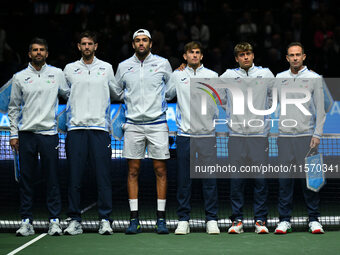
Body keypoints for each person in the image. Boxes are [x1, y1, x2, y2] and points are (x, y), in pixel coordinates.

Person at [8, 37, 69, 236]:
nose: (38, 53)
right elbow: (13, 108)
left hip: (49, 135)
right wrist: (13, 134)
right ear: (29, 54)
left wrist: (63, 120)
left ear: (47, 53)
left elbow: (70, 96)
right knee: (26, 180)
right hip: (26, 136)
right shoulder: (19, 77)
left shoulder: (57, 73)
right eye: (35, 50)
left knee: (52, 179)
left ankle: (54, 221)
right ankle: (26, 221)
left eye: (42, 49)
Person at [114, 29, 172, 234]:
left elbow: (172, 89)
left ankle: (161, 220)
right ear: (132, 44)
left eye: (144, 40)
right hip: (133, 125)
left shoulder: (163, 64)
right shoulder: (123, 66)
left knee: (161, 170)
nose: (141, 43)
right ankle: (134, 220)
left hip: (157, 124)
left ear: (150, 44)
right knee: (132, 171)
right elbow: (116, 91)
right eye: (137, 40)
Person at [63, 31, 119, 235]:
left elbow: (117, 92)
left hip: (100, 130)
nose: (87, 47)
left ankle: (105, 219)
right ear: (79, 46)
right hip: (75, 129)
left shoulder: (106, 68)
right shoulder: (69, 69)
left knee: (103, 178)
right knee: (74, 178)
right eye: (83, 44)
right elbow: (62, 92)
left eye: (90, 44)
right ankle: (74, 220)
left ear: (96, 46)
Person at [220, 42, 274, 234]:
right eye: (241, 55)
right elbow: (220, 98)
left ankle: (260, 220)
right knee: (236, 181)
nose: (245, 57)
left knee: (261, 181)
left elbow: (272, 97)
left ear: (253, 56)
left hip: (259, 137)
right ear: (236, 58)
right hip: (235, 136)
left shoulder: (266, 74)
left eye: (248, 54)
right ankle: (238, 221)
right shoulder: (227, 76)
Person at [166, 41, 220, 235]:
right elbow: (166, 95)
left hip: (207, 136)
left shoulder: (213, 76)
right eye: (191, 53)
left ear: (202, 56)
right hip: (184, 135)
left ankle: (211, 219)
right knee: (184, 181)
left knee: (209, 180)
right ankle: (183, 220)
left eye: (198, 53)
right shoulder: (177, 75)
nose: (195, 55)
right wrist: (174, 73)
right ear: (185, 56)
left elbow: (220, 102)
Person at [274, 42, 326, 234]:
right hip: (285, 138)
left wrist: (317, 134)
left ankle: (314, 219)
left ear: (304, 56)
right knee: (284, 182)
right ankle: (284, 220)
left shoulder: (315, 78)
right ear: (287, 58)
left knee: (311, 182)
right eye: (291, 55)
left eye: (298, 55)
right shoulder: (279, 78)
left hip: (308, 137)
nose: (295, 58)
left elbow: (321, 109)